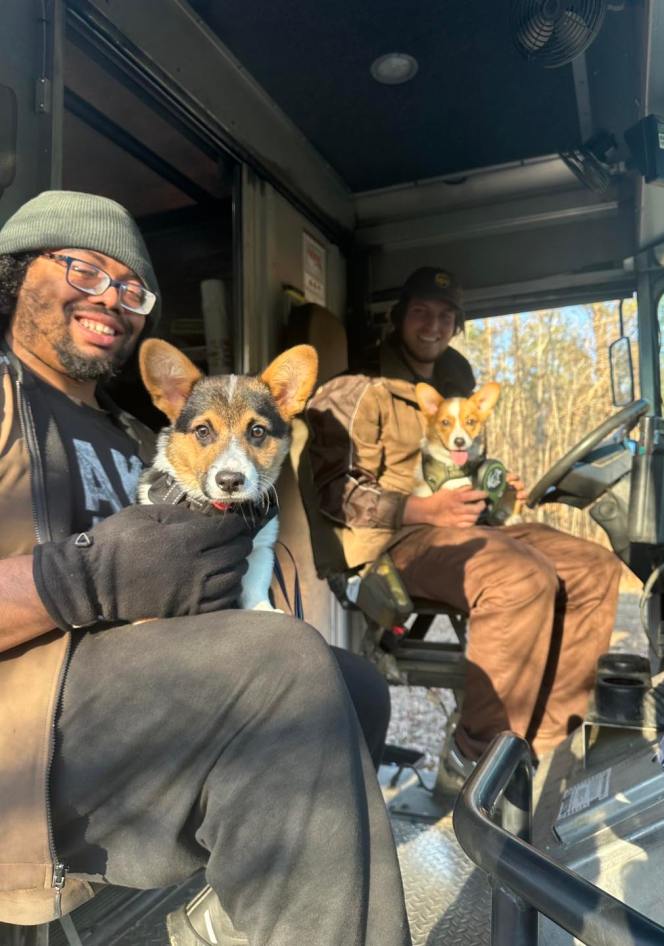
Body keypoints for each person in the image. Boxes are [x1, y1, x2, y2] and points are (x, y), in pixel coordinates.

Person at [0, 190, 410, 946]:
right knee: (284, 662)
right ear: (17, 272)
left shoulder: (137, 436)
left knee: (353, 685)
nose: (111, 300)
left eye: (132, 289)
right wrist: (79, 578)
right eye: (84, 270)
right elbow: (107, 575)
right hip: (21, 730)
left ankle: (232, 918)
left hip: (130, 701)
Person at [306, 266, 622, 774]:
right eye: (421, 313)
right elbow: (331, 491)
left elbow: (468, 464)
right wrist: (421, 508)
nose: (433, 326)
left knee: (595, 568)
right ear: (398, 318)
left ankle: (545, 748)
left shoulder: (459, 379)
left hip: (469, 524)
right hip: (397, 537)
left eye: (446, 316)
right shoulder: (358, 389)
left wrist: (497, 488)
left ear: (457, 325)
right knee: (520, 577)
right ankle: (477, 758)